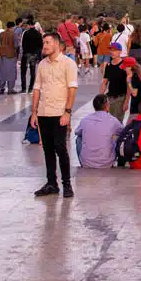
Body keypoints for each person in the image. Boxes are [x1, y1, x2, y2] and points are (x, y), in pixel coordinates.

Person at [32, 30, 80, 197]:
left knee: (61, 148)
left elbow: (72, 89)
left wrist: (67, 112)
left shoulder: (68, 64)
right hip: (44, 112)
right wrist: (34, 112)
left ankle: (66, 183)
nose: (44, 46)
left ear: (57, 45)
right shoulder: (42, 64)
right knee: (47, 150)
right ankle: (51, 183)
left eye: (47, 43)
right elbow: (37, 88)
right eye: (44, 43)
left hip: (59, 113)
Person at [75, 93, 123, 168]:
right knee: (117, 138)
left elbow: (77, 132)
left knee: (79, 139)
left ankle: (84, 162)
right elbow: (122, 132)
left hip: (86, 163)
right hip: (107, 163)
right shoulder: (113, 120)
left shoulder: (86, 119)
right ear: (107, 105)